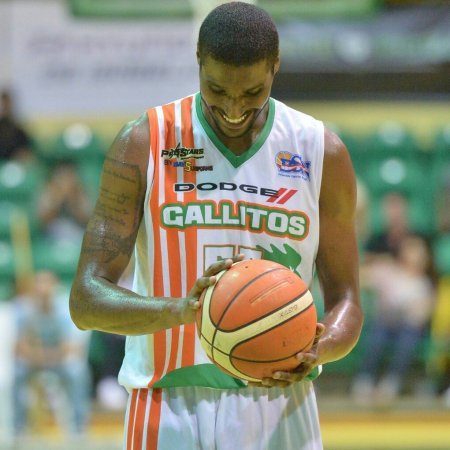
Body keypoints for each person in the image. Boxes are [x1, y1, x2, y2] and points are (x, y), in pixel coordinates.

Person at [70, 3, 363, 449]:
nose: (232, 107)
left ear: (276, 64)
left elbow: (348, 302)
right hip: (166, 401)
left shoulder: (321, 151)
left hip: (280, 401)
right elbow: (86, 300)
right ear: (198, 59)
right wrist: (184, 310)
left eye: (252, 92)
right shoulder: (145, 141)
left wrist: (316, 349)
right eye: (217, 88)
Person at [352, 235, 435, 406]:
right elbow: (361, 277)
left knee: (407, 342)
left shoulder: (423, 283)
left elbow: (423, 313)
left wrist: (414, 311)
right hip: (384, 323)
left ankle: (391, 383)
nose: (415, 255)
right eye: (411, 250)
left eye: (419, 252)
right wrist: (376, 262)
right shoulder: (390, 271)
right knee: (376, 340)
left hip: (407, 328)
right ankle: (364, 380)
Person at [14, 271, 91, 436]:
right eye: (39, 284)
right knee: (17, 372)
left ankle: (78, 427)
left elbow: (71, 346)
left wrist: (48, 356)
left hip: (59, 361)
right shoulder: (24, 309)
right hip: (33, 362)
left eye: (47, 284)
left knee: (77, 372)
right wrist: (37, 356)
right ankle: (18, 428)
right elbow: (19, 347)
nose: (43, 289)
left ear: (55, 288)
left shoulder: (66, 309)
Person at [37, 160, 92, 243]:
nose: (65, 181)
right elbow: (43, 222)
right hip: (52, 237)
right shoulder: (48, 190)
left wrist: (72, 201)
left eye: (69, 176)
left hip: (78, 235)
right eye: (62, 177)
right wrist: (58, 200)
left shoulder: (81, 191)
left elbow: (87, 221)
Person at [0, 89, 33, 162]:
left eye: (7, 103)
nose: (5, 106)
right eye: (3, 104)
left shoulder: (17, 128)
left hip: (14, 161)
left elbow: (25, 147)